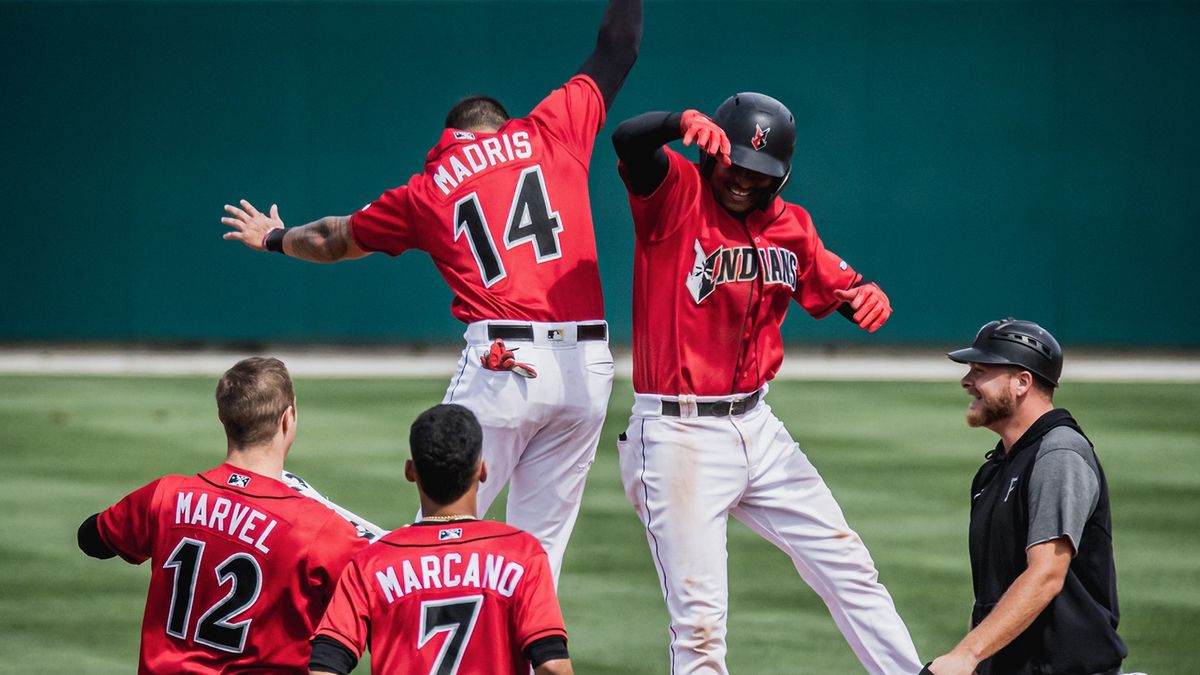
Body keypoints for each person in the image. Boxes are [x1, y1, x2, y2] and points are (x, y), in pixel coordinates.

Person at [221, 0, 641, 581]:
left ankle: (378, 579)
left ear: (450, 136)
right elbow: (619, 46)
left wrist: (274, 238)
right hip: (586, 371)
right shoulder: (550, 131)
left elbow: (332, 238)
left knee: (434, 545)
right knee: (537, 562)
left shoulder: (429, 188)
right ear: (501, 124)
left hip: (504, 365)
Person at [609, 93, 922, 674]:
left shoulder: (790, 225)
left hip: (759, 428)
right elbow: (627, 140)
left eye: (759, 173)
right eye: (735, 165)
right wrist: (676, 122)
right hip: (679, 435)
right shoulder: (675, 195)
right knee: (700, 627)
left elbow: (836, 285)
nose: (743, 181)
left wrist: (864, 295)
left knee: (849, 567)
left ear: (780, 176)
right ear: (712, 155)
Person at [76, 357, 370, 673]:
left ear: (222, 417)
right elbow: (378, 600)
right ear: (288, 418)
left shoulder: (166, 496)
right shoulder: (321, 531)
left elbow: (91, 539)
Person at [309, 403, 572, 675]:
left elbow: (325, 666)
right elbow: (553, 665)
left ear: (410, 472)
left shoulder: (371, 563)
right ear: (482, 470)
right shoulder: (521, 553)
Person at [928, 319, 1127, 675]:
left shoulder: (1058, 454)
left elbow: (1047, 573)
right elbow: (992, 596)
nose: (966, 382)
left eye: (980, 371)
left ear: (1022, 382)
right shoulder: (994, 470)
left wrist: (967, 655)